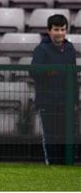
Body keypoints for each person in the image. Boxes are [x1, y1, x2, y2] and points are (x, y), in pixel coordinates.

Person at [30, 14, 78, 165]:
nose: (60, 33)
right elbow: (33, 72)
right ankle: (52, 167)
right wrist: (48, 72)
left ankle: (67, 166)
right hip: (48, 103)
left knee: (68, 136)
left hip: (67, 103)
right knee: (51, 138)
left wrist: (75, 99)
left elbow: (73, 76)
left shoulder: (70, 49)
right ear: (49, 30)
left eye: (63, 29)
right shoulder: (41, 50)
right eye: (56, 29)